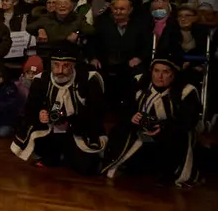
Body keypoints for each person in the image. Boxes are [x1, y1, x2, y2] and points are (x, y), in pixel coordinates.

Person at [101, 56, 200, 187]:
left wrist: (163, 126)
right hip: (143, 134)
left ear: (174, 74)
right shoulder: (141, 85)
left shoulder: (186, 91)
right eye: (156, 71)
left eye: (165, 72)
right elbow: (123, 108)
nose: (160, 76)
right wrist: (132, 116)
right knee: (120, 131)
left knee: (175, 137)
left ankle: (167, 172)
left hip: (169, 133)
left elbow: (188, 120)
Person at [11, 44, 105, 173]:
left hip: (79, 131)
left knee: (86, 167)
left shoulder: (88, 80)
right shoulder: (41, 80)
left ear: (73, 65)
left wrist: (70, 119)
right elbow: (30, 109)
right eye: (56, 65)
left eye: (65, 66)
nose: (60, 70)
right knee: (44, 150)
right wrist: (40, 113)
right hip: (51, 130)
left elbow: (97, 113)